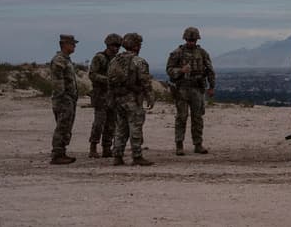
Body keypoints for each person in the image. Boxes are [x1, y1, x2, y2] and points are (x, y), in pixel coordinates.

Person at [166, 26, 216, 155]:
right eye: (189, 40)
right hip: (182, 89)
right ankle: (179, 145)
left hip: (197, 89)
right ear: (185, 39)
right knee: (181, 117)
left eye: (193, 40)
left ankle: (198, 144)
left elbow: (210, 70)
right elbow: (169, 70)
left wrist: (211, 87)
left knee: (197, 118)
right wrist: (181, 71)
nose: (191, 42)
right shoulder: (177, 53)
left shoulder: (202, 53)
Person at [109, 33, 155, 166]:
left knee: (120, 128)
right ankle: (137, 156)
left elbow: (110, 81)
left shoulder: (114, 60)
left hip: (118, 99)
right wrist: (150, 97)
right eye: (139, 44)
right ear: (135, 45)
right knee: (135, 127)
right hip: (133, 99)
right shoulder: (138, 61)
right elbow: (145, 82)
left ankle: (117, 156)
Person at [87, 33, 122, 158]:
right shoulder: (99, 58)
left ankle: (107, 148)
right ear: (108, 45)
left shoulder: (117, 59)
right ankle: (93, 147)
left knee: (111, 123)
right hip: (101, 95)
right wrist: (107, 79)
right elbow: (92, 74)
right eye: (114, 45)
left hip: (112, 96)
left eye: (118, 46)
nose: (116, 48)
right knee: (99, 123)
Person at [50, 34, 80, 165]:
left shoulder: (66, 60)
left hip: (69, 99)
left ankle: (61, 152)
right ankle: (57, 154)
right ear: (64, 44)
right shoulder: (59, 60)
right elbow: (58, 83)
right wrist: (63, 98)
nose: (74, 46)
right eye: (72, 44)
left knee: (66, 126)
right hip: (63, 99)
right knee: (62, 126)